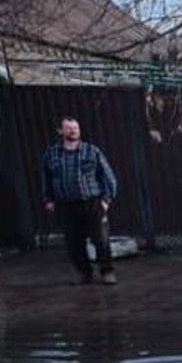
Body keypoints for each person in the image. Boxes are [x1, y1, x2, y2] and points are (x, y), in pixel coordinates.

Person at [40, 115, 118, 285]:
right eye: (69, 128)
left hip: (92, 203)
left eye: (76, 127)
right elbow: (46, 178)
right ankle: (85, 273)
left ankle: (107, 272)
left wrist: (106, 199)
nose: (73, 131)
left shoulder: (92, 151)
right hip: (67, 205)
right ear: (60, 131)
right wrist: (48, 199)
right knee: (74, 243)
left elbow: (108, 176)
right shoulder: (51, 154)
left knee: (101, 240)